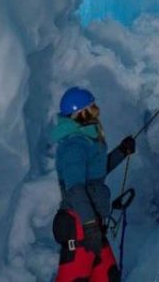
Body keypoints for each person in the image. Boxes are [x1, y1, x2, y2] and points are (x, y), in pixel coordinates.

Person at [51, 87, 136, 282]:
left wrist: (122, 152)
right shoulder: (74, 146)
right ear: (79, 114)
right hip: (79, 223)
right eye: (91, 109)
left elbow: (95, 174)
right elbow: (76, 189)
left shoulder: (86, 141)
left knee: (108, 276)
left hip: (91, 223)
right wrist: (89, 225)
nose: (96, 112)